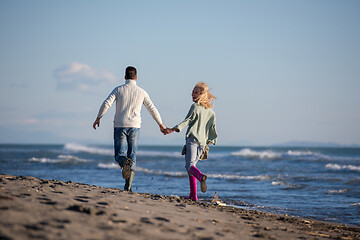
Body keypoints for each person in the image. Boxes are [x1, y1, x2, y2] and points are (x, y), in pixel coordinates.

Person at [93, 66, 166, 191]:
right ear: (136, 77)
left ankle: (123, 162)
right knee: (132, 156)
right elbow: (152, 109)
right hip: (135, 127)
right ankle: (128, 186)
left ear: (125, 77)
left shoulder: (118, 89)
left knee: (119, 155)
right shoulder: (142, 92)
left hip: (120, 126)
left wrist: (98, 117)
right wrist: (161, 124)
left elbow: (107, 103)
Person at [164, 82, 217, 201]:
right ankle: (193, 195)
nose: (192, 94)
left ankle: (201, 176)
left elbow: (186, 121)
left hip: (192, 140)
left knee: (190, 166)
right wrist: (211, 141)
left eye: (196, 92)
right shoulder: (211, 113)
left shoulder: (195, 107)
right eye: (193, 91)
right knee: (192, 167)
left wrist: (173, 129)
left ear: (202, 95)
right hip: (202, 144)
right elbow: (212, 129)